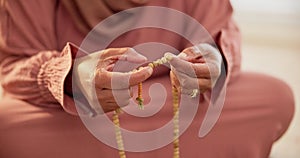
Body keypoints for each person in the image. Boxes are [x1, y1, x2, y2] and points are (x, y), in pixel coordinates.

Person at [0, 0, 294, 158]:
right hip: (76, 114)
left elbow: (221, 38)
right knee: (6, 126)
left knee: (274, 97)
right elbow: (14, 63)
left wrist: (212, 59)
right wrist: (73, 77)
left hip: (177, 104)